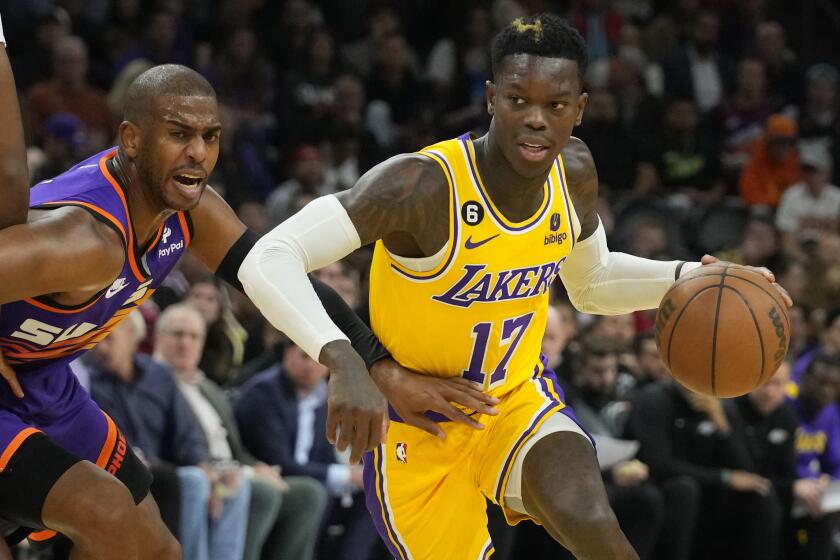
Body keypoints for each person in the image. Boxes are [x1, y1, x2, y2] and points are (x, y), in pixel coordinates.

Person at [238, 13, 791, 559]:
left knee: (597, 526)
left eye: (555, 105)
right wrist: (344, 359)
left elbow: (592, 283)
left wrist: (695, 277)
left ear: (580, 109)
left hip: (513, 403)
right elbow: (270, 257)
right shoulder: (420, 185)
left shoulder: (573, 173)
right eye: (517, 99)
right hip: (415, 428)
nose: (535, 119)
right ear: (490, 98)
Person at [0, 63, 450, 557]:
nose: (198, 152)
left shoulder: (191, 213)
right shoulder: (85, 239)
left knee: (155, 548)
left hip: (43, 383)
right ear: (131, 139)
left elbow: (276, 279)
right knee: (105, 511)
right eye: (178, 134)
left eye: (210, 136)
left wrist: (369, 365)